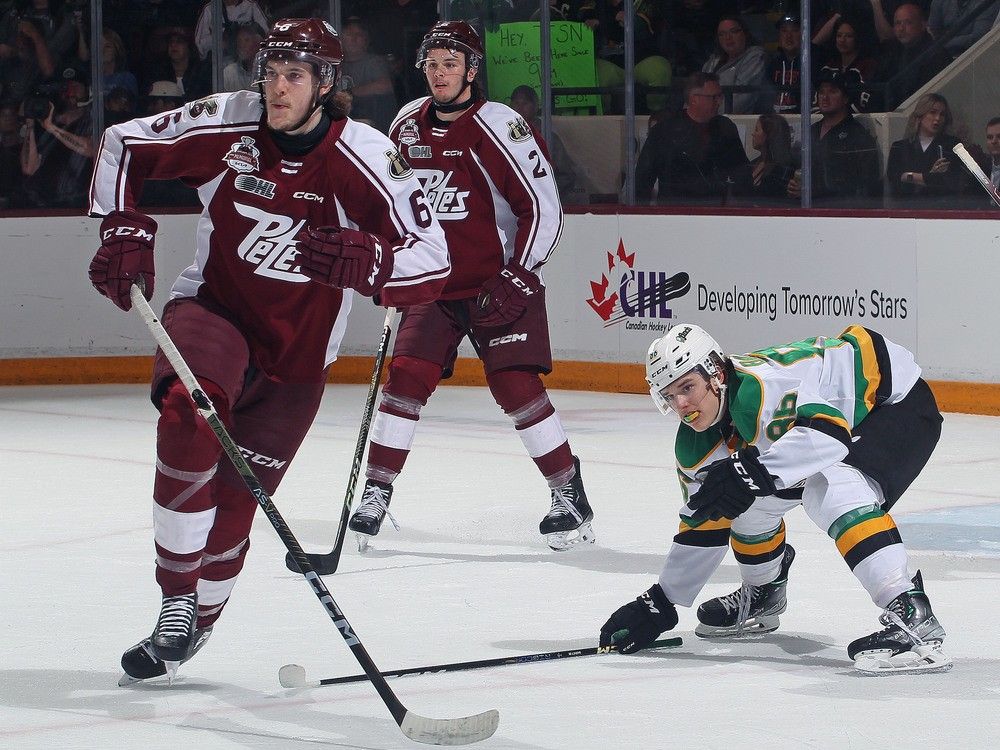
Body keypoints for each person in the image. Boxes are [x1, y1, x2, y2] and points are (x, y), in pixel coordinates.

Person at [87, 18, 450, 685]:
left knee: (234, 504)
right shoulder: (229, 123)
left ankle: (200, 621)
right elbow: (123, 145)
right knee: (186, 416)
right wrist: (121, 225)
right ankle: (174, 604)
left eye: (294, 75)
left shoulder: (364, 156)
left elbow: (433, 259)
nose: (277, 89)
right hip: (213, 311)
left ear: (325, 83)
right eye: (270, 73)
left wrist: (371, 261)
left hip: (297, 359)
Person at [347, 20, 596, 553]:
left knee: (515, 386)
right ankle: (376, 491)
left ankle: (568, 493)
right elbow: (386, 202)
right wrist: (389, 261)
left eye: (450, 63)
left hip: (496, 281)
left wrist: (520, 271)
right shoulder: (406, 124)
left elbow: (544, 208)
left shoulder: (499, 125)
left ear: (472, 70)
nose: (439, 73)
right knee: (406, 378)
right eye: (432, 63)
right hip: (435, 286)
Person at [600, 323, 950, 674]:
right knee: (741, 505)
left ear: (717, 374)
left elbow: (828, 437)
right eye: (669, 395)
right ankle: (764, 594)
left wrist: (751, 472)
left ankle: (909, 610)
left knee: (830, 487)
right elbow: (705, 521)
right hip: (840, 423)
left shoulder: (762, 389)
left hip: (893, 403)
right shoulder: (695, 446)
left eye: (687, 387)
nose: (681, 404)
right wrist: (661, 600)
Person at [635, 71, 750, 205]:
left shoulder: (725, 127)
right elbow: (643, 180)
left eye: (720, 96)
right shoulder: (664, 131)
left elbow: (742, 171)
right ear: (694, 99)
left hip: (716, 212)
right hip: (675, 213)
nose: (719, 102)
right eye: (714, 97)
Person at [787, 70, 881, 206]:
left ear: (845, 98)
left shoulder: (858, 136)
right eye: (821, 92)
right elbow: (795, 166)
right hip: (806, 215)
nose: (825, 97)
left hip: (839, 216)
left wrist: (815, 192)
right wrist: (791, 186)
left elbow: (864, 186)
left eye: (832, 91)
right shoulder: (810, 132)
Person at [885, 92, 966, 205]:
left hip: (941, 209)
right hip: (907, 210)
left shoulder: (952, 145)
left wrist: (910, 176)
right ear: (921, 115)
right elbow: (896, 183)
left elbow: (951, 182)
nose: (937, 118)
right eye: (932, 112)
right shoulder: (899, 148)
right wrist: (931, 175)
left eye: (942, 114)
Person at [871, 3, 952, 110]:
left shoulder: (936, 55)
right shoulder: (891, 51)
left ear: (923, 25)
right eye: (897, 23)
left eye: (908, 22)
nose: (901, 28)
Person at [509, 84, 580, 201]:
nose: (520, 108)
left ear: (536, 106)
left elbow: (567, 176)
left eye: (525, 103)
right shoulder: (501, 134)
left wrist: (546, 194)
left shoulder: (548, 138)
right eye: (516, 103)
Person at [339, 18, 398, 133]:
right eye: (349, 34)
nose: (354, 39)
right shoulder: (336, 64)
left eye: (358, 35)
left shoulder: (374, 62)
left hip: (373, 125)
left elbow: (385, 85)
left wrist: (350, 92)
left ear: (366, 40)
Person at [701, 15, 767, 115]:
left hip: (738, 122)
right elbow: (697, 90)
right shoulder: (712, 62)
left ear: (745, 33)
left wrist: (708, 114)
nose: (728, 38)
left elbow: (739, 101)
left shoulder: (755, 57)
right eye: (722, 34)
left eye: (733, 32)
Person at [747, 113, 796, 203]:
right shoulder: (752, 163)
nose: (753, 134)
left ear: (769, 135)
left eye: (757, 130)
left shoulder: (784, 167)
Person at [222, 24, 263, 92]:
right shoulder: (229, 73)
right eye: (239, 41)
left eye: (246, 40)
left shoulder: (270, 73)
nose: (242, 45)